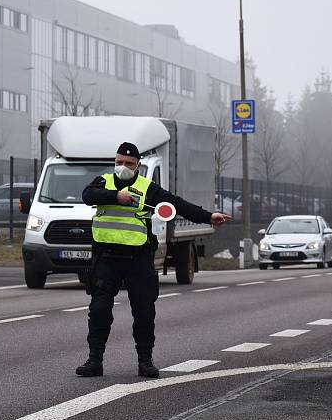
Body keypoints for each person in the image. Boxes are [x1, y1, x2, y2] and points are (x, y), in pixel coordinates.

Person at [76, 141, 230, 378]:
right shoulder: (103, 182)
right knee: (99, 310)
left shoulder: (147, 187)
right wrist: (117, 196)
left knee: (144, 312)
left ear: (138, 165)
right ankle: (94, 360)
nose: (122, 167)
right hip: (106, 258)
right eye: (119, 162)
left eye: (128, 163)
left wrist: (209, 216)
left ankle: (145, 361)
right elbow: (87, 195)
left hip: (137, 258)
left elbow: (177, 205)